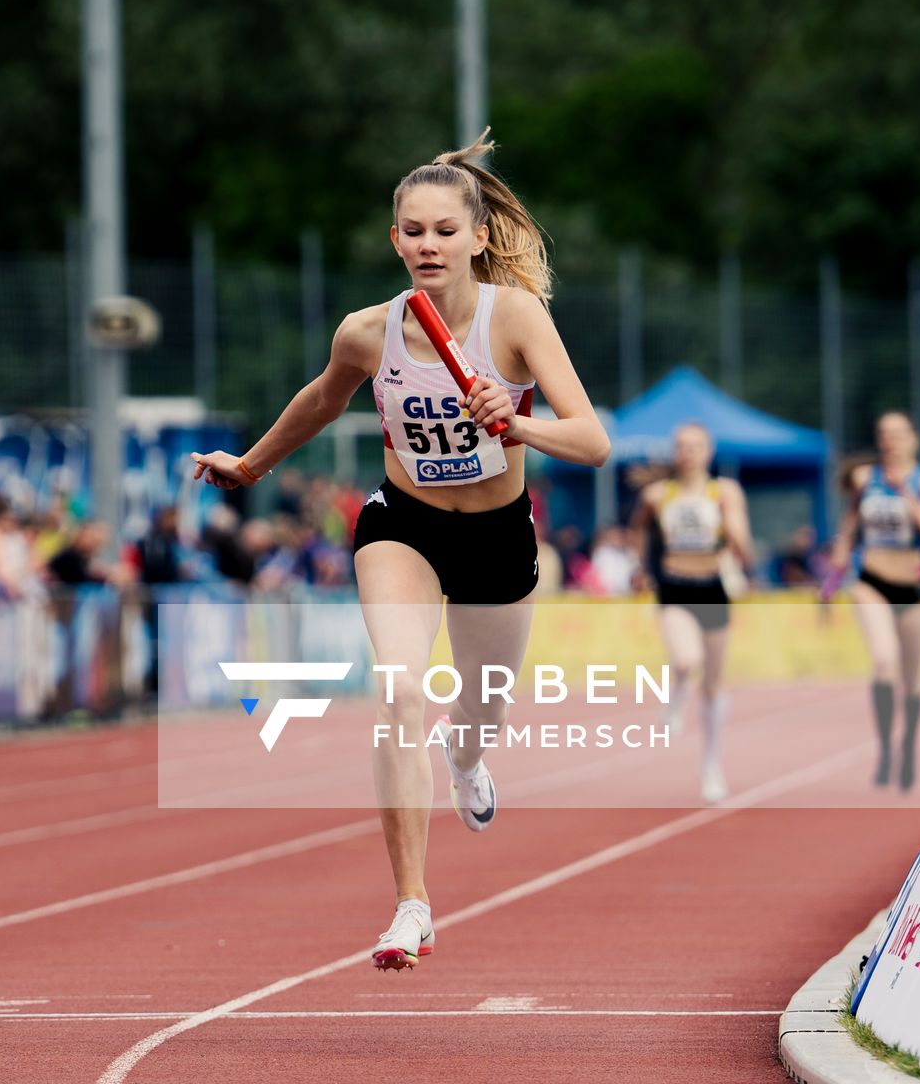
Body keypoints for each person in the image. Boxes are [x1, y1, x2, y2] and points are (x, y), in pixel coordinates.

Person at [190, 134, 609, 971]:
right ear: (394, 241)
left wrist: (515, 418)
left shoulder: (514, 318)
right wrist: (251, 464)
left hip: (496, 536)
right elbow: (319, 399)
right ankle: (411, 906)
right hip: (404, 525)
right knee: (401, 690)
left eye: (445, 231)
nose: (428, 245)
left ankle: (468, 756)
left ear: (478, 238)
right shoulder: (367, 331)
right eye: (412, 231)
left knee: (479, 712)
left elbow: (592, 441)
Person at [630, 423, 754, 804]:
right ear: (674, 451)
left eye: (695, 446)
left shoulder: (724, 492)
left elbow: (746, 551)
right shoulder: (657, 495)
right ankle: (678, 690)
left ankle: (711, 766)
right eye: (682, 446)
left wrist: (733, 532)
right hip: (674, 587)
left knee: (714, 683)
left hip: (713, 588)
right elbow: (638, 531)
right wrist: (640, 569)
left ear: (708, 451)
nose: (688, 452)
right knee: (687, 659)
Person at [829, 411, 920, 791]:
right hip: (871, 580)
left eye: (898, 435)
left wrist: (905, 493)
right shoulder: (865, 479)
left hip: (912, 587)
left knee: (912, 682)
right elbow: (850, 526)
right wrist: (837, 563)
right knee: (884, 661)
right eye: (884, 435)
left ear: (914, 439)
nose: (890, 442)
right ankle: (884, 750)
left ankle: (908, 745)